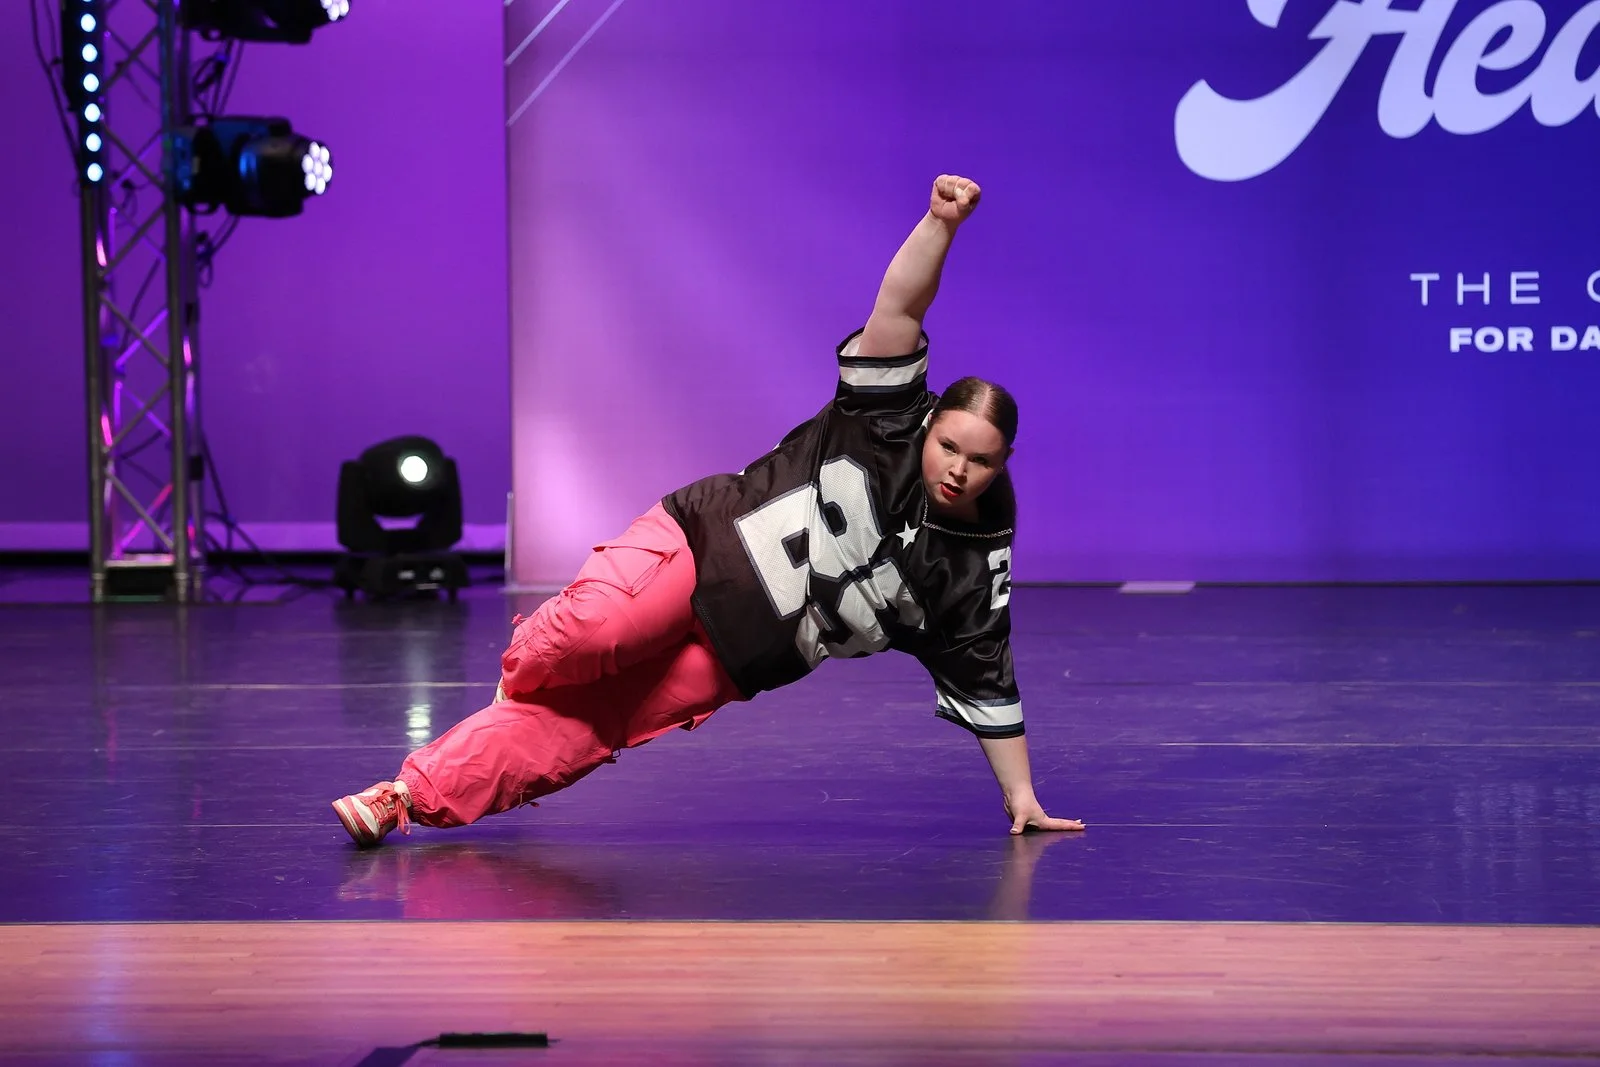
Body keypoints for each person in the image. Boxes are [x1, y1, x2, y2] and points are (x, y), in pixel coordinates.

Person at [333, 174, 1085, 847]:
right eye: (950, 445)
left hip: (738, 656)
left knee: (580, 736)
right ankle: (527, 663)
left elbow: (989, 671)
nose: (958, 468)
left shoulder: (973, 559)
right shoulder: (886, 413)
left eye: (980, 460)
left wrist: (1022, 796)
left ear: (1004, 464)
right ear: (930, 426)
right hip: (701, 547)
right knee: (595, 632)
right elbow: (900, 303)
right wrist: (939, 225)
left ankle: (403, 798)